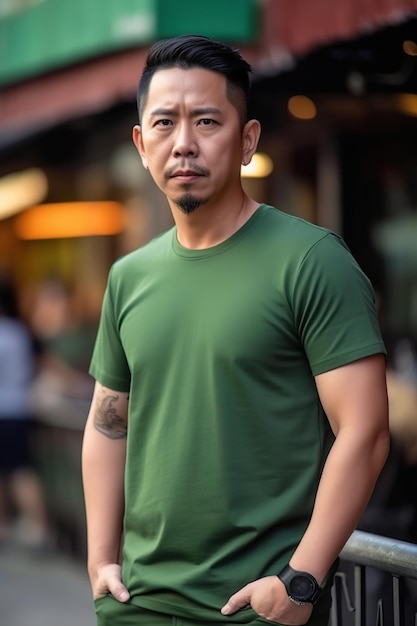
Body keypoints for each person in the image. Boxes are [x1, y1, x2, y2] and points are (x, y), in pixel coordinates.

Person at [82, 35, 390, 626]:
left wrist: (301, 580)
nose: (185, 144)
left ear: (247, 140)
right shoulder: (128, 277)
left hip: (257, 608)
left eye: (207, 121)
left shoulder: (311, 261)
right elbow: (106, 424)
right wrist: (100, 562)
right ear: (142, 145)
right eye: (165, 124)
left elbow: (366, 432)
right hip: (138, 606)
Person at [0, 278, 50, 549]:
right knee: (21, 469)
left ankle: (9, 525)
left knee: (17, 471)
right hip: (19, 406)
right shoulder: (22, 331)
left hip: (6, 407)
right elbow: (42, 364)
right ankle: (37, 526)